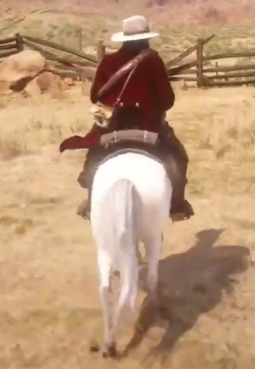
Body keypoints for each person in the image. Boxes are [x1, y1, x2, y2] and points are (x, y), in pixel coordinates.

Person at [59, 15, 194, 222]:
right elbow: (167, 100)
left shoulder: (108, 61)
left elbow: (95, 97)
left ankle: (91, 202)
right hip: (149, 127)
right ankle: (176, 207)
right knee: (177, 155)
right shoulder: (153, 60)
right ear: (146, 38)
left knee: (95, 154)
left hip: (113, 127)